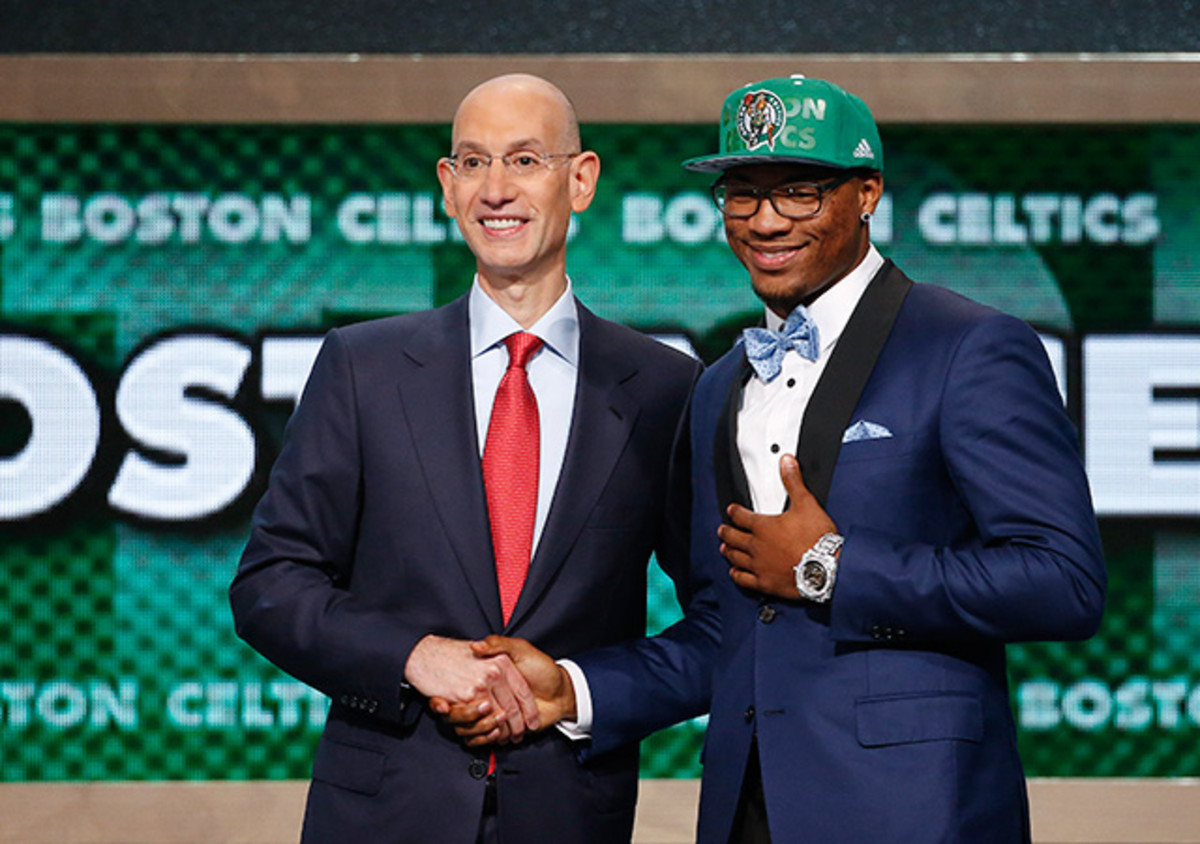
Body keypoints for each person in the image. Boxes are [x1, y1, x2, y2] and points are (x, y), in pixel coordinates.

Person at [452, 75, 1107, 842]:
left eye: (798, 191)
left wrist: (831, 566)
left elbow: (1063, 580)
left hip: (915, 811)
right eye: (742, 194)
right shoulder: (718, 385)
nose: (765, 222)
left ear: (866, 195)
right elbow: (723, 627)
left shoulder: (968, 347)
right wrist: (572, 689)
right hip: (748, 811)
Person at [229, 73, 701, 843]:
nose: (495, 190)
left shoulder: (664, 388)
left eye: (524, 160)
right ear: (447, 187)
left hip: (569, 817)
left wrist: (576, 692)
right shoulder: (364, 366)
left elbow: (720, 627)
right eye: (473, 163)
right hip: (382, 815)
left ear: (580, 181)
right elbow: (270, 585)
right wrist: (413, 657)